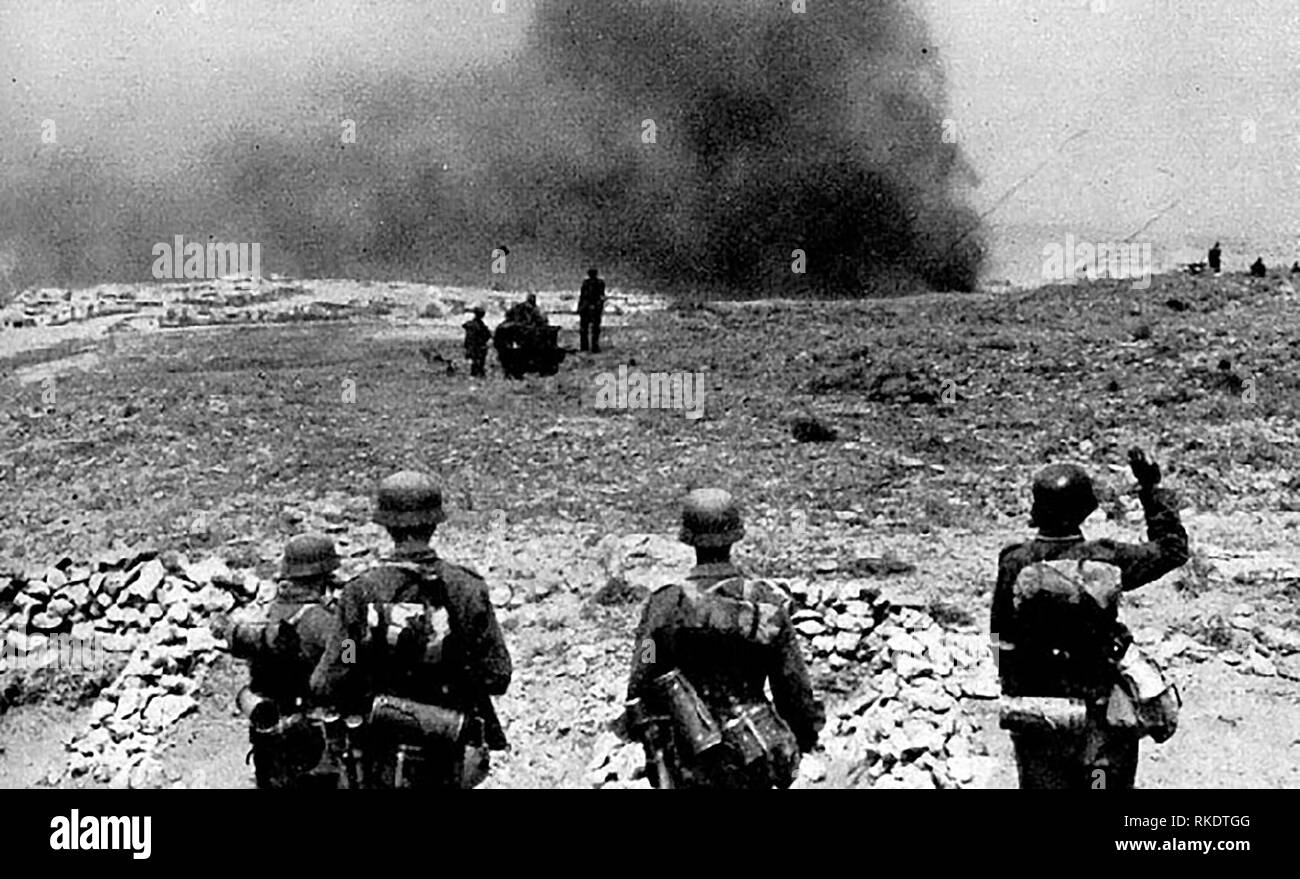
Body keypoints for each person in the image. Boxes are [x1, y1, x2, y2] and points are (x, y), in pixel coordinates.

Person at [990, 449, 1189, 790]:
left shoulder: (1014, 563)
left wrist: (1018, 688)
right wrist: (1150, 488)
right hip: (1100, 719)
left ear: (1036, 510)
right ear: (1086, 509)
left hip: (1040, 713)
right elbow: (1172, 549)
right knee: (1100, 783)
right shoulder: (1108, 559)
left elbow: (1001, 638)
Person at [310, 471, 512, 789]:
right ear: (435, 524)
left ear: (387, 525)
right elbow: (496, 675)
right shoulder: (468, 590)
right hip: (448, 753)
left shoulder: (360, 593)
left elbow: (337, 670)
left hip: (378, 756)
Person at [624, 488, 824, 789]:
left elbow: (642, 677)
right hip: (754, 754)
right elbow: (793, 688)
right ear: (734, 537)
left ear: (688, 539)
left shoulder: (664, 607)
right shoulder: (765, 604)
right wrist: (804, 738)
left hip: (687, 763)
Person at [214, 533, 344, 789]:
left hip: (267, 735)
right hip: (311, 743)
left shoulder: (268, 610)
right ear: (323, 577)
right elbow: (348, 660)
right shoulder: (321, 620)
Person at [578, 268, 607, 353]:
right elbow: (601, 296)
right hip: (594, 308)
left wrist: (580, 307)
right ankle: (593, 347)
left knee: (585, 329)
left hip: (587, 308)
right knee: (594, 329)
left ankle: (585, 347)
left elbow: (582, 296)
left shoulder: (586, 283)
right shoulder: (600, 283)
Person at [462, 304, 492, 378]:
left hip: (471, 345)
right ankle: (478, 373)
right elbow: (488, 336)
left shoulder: (470, 324)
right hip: (479, 345)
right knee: (479, 361)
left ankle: (475, 373)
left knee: (474, 361)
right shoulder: (481, 326)